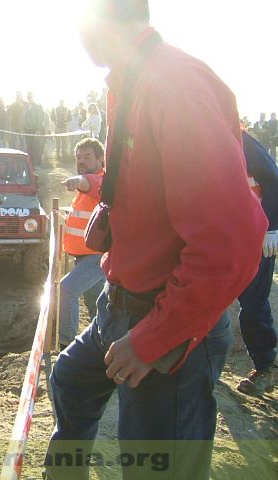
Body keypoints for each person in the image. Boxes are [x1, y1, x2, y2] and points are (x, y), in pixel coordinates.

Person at [44, 2, 267, 479]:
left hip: (163, 315)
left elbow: (231, 240)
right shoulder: (131, 79)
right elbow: (146, 181)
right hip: (120, 301)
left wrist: (153, 339)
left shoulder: (174, 86)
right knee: (69, 380)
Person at [236, 131, 278, 396]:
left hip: (257, 236)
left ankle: (266, 367)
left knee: (252, 301)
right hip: (226, 235)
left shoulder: (237, 138)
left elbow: (272, 177)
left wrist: (272, 226)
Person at [58, 138, 106, 349]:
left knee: (67, 289)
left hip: (96, 257)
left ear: (100, 159)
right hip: (84, 257)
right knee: (96, 306)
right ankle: (100, 345)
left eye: (87, 157)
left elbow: (88, 183)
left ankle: (66, 344)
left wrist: (78, 180)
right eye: (79, 157)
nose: (82, 161)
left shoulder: (102, 181)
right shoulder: (86, 186)